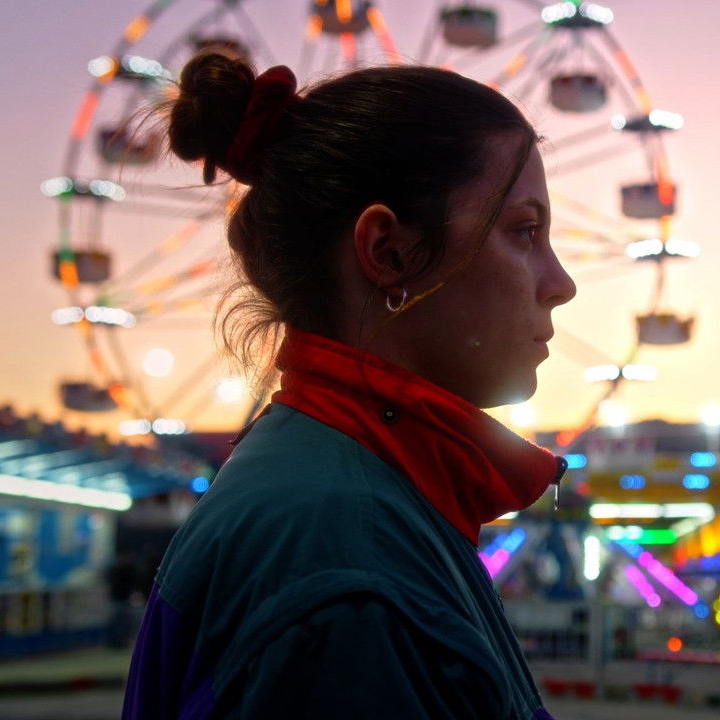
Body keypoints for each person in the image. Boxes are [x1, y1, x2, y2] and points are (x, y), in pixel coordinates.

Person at [123, 48, 575, 720]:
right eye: (525, 231)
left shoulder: (326, 489)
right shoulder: (349, 576)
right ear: (388, 252)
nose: (560, 284)